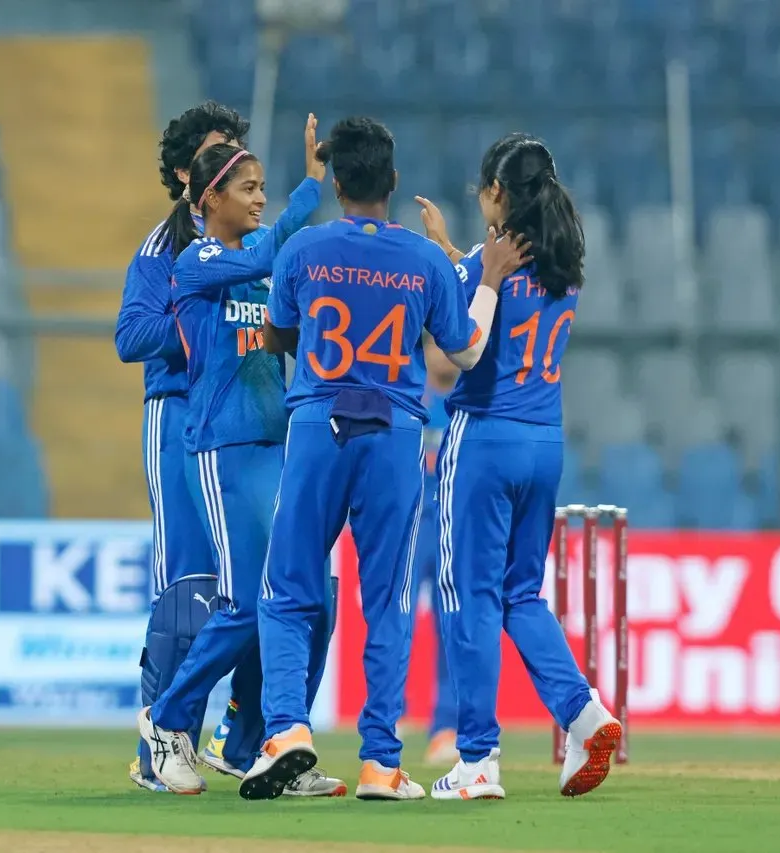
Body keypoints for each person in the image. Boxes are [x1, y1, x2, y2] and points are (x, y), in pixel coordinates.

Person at [238, 116, 531, 802]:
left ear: (337, 181)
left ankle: (285, 727)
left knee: (286, 588)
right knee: (389, 596)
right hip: (396, 434)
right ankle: (379, 761)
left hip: (316, 426)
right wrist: (485, 278)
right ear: (392, 182)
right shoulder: (425, 261)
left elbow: (279, 330)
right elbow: (465, 353)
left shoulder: (305, 249)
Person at [137, 117, 345, 798]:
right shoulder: (197, 261)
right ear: (210, 199)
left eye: (266, 188)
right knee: (248, 602)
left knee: (310, 596)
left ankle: (274, 743)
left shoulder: (254, 261)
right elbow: (269, 253)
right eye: (250, 188)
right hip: (220, 450)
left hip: (274, 445)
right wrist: (313, 186)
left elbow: (282, 306)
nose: (261, 198)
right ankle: (168, 721)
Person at [415, 134, 621, 801]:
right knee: (521, 594)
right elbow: (485, 280)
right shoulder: (566, 269)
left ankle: (476, 757)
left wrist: (452, 264)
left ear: (497, 195)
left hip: (482, 439)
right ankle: (585, 715)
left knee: (469, 596)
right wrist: (457, 257)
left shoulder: (485, 267)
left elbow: (455, 357)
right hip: (545, 441)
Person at [115, 101, 265, 794]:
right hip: (177, 415)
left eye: (237, 152)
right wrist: (191, 307)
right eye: (216, 155)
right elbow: (130, 338)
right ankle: (159, 749)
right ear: (186, 176)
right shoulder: (161, 251)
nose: (233, 166)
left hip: (244, 422)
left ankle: (242, 737)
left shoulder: (251, 244)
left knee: (266, 581)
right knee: (189, 587)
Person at [416, 341, 460, 766]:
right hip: (412, 525)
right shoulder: (411, 393)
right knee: (395, 619)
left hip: (452, 525)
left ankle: (445, 727)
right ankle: (384, 717)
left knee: (450, 627)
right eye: (439, 348)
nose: (446, 356)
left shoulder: (466, 399)